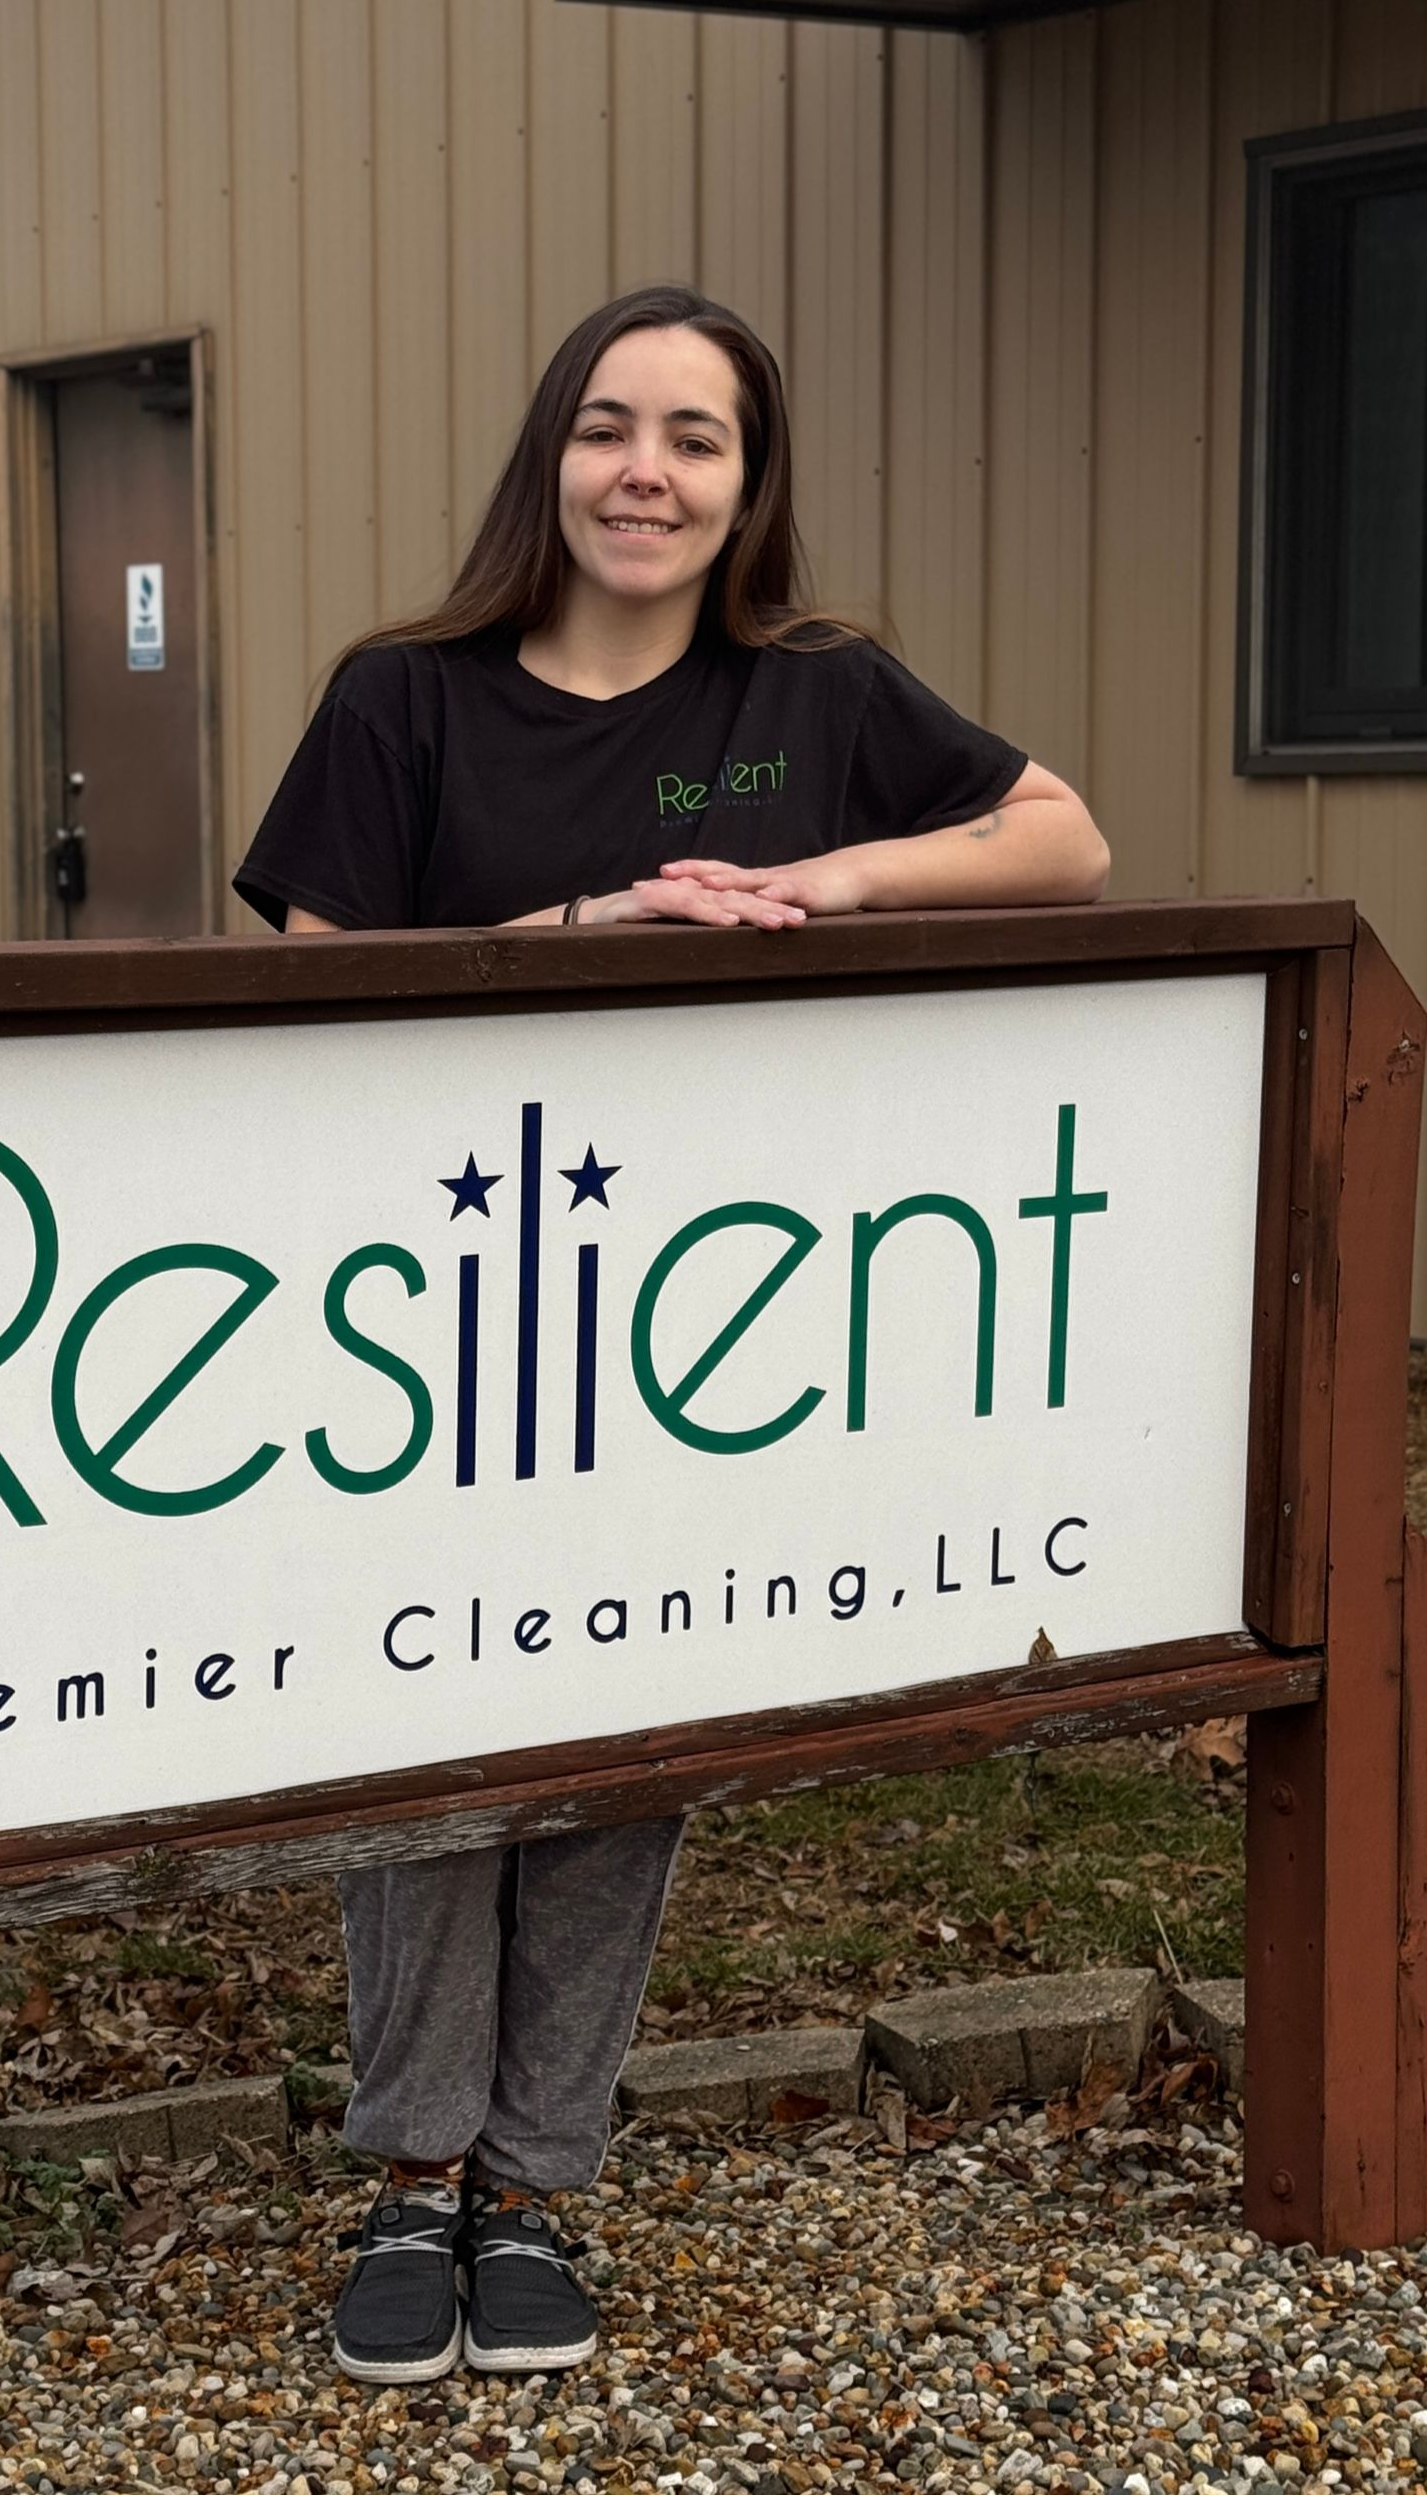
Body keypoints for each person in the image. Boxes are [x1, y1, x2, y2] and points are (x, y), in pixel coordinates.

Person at [233, 283, 1109, 2388]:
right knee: (431, 1734)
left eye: (698, 438)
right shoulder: (403, 699)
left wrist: (823, 881)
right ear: (550, 453)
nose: (649, 469)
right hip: (428, 1318)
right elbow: (306, 974)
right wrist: (597, 926)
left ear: (747, 482)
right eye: (611, 425)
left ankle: (537, 2174)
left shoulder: (814, 689)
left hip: (693, 1328)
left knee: (626, 1742)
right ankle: (413, 2164)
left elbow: (1064, 840)